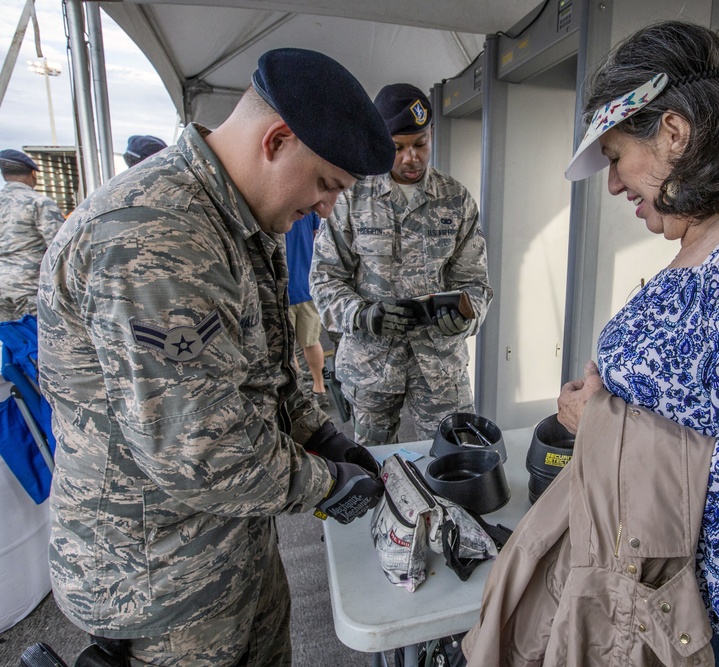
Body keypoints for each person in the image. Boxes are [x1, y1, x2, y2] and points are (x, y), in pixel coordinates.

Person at [467, 21, 719, 667]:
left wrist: (604, 424)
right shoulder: (714, 238)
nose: (615, 183)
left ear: (675, 133)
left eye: (618, 155)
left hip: (707, 622)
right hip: (649, 597)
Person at [36, 48, 395, 667]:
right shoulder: (154, 233)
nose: (328, 208)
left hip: (234, 547)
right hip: (160, 584)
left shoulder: (237, 222)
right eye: (327, 185)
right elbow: (201, 452)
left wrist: (323, 435)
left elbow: (267, 373)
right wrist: (326, 484)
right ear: (278, 141)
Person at [311, 82, 493, 446]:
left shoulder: (456, 199)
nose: (411, 158)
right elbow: (324, 279)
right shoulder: (351, 195)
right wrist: (362, 315)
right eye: (398, 148)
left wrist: (466, 313)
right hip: (371, 364)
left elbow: (477, 283)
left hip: (440, 368)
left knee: (454, 460)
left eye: (420, 144)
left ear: (431, 135)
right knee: (372, 467)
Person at [0, 149, 64, 321]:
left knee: (12, 339)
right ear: (33, 173)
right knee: (35, 339)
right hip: (28, 286)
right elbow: (61, 247)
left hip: (1, 286)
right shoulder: (39, 202)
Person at [285, 211, 328, 403]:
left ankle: (299, 390)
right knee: (311, 341)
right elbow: (319, 238)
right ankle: (319, 388)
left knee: (288, 348)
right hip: (306, 285)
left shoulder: (271, 209)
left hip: (282, 291)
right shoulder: (309, 209)